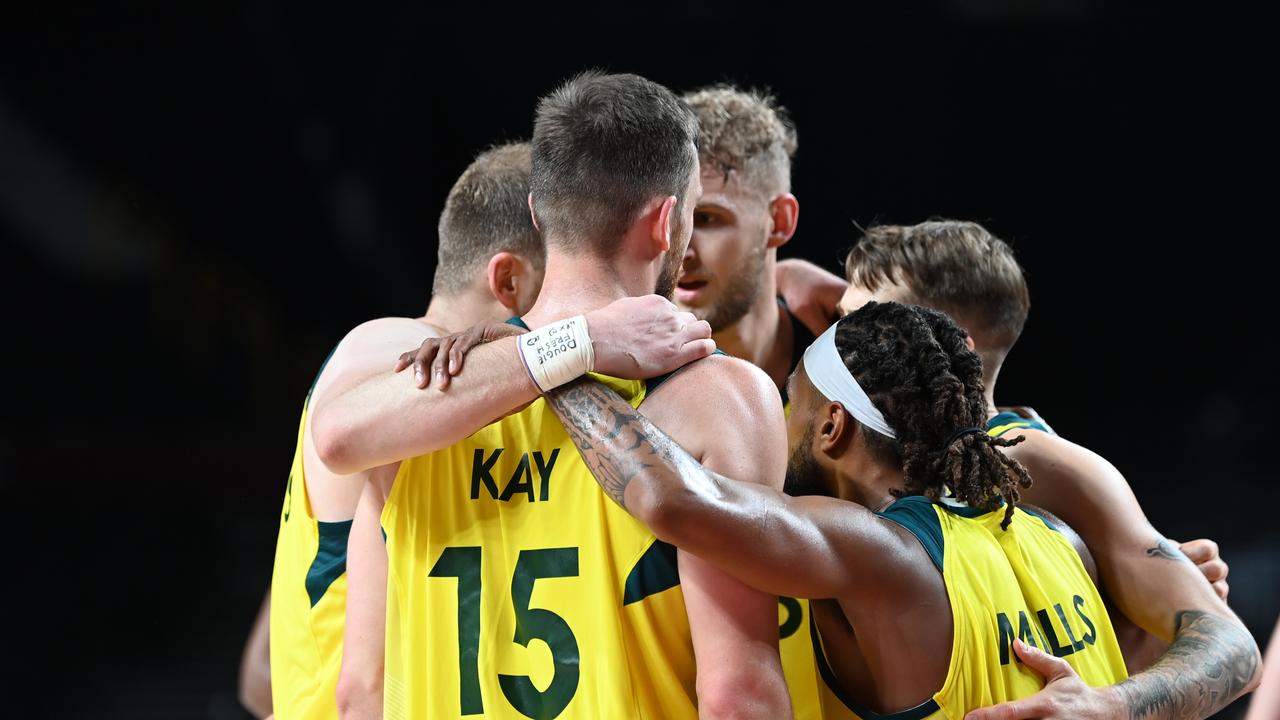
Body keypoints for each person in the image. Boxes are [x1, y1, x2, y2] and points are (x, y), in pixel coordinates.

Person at [319, 71, 792, 718]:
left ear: (538, 213)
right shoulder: (723, 398)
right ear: (666, 223)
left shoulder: (425, 390)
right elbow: (740, 699)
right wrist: (584, 344)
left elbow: (359, 695)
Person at [542, 300, 1131, 718]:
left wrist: (550, 356)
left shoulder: (887, 557)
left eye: (789, 399)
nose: (775, 417)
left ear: (831, 426)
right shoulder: (1060, 538)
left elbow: (672, 499)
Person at [837, 220, 1261, 718]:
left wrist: (1111, 706)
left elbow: (1233, 645)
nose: (837, 348)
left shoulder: (1041, 463)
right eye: (839, 322)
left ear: (953, 351)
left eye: (869, 328)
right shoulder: (845, 444)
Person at [247, 142, 546, 719]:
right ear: (508, 280)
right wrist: (580, 343)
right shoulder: (386, 347)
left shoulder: (458, 412)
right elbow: (344, 431)